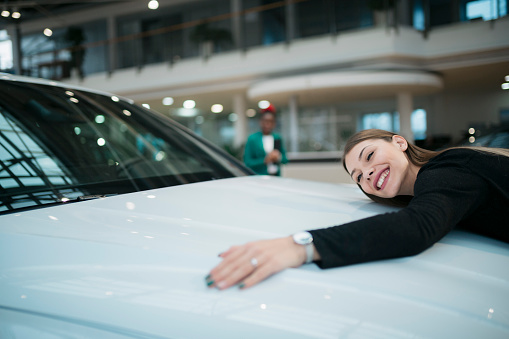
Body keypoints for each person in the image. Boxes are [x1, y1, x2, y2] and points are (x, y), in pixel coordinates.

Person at [205, 129, 509, 290]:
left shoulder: (447, 169)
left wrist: (299, 246)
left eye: (370, 155)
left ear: (400, 142)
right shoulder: (434, 187)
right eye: (359, 177)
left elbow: (417, 228)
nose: (368, 174)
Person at [243, 107, 288, 176]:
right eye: (265, 121)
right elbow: (247, 162)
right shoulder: (253, 139)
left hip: (275, 176)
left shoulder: (277, 138)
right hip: (259, 177)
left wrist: (278, 157)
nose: (268, 124)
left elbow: (285, 160)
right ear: (261, 121)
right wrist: (264, 160)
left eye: (271, 121)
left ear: (274, 123)